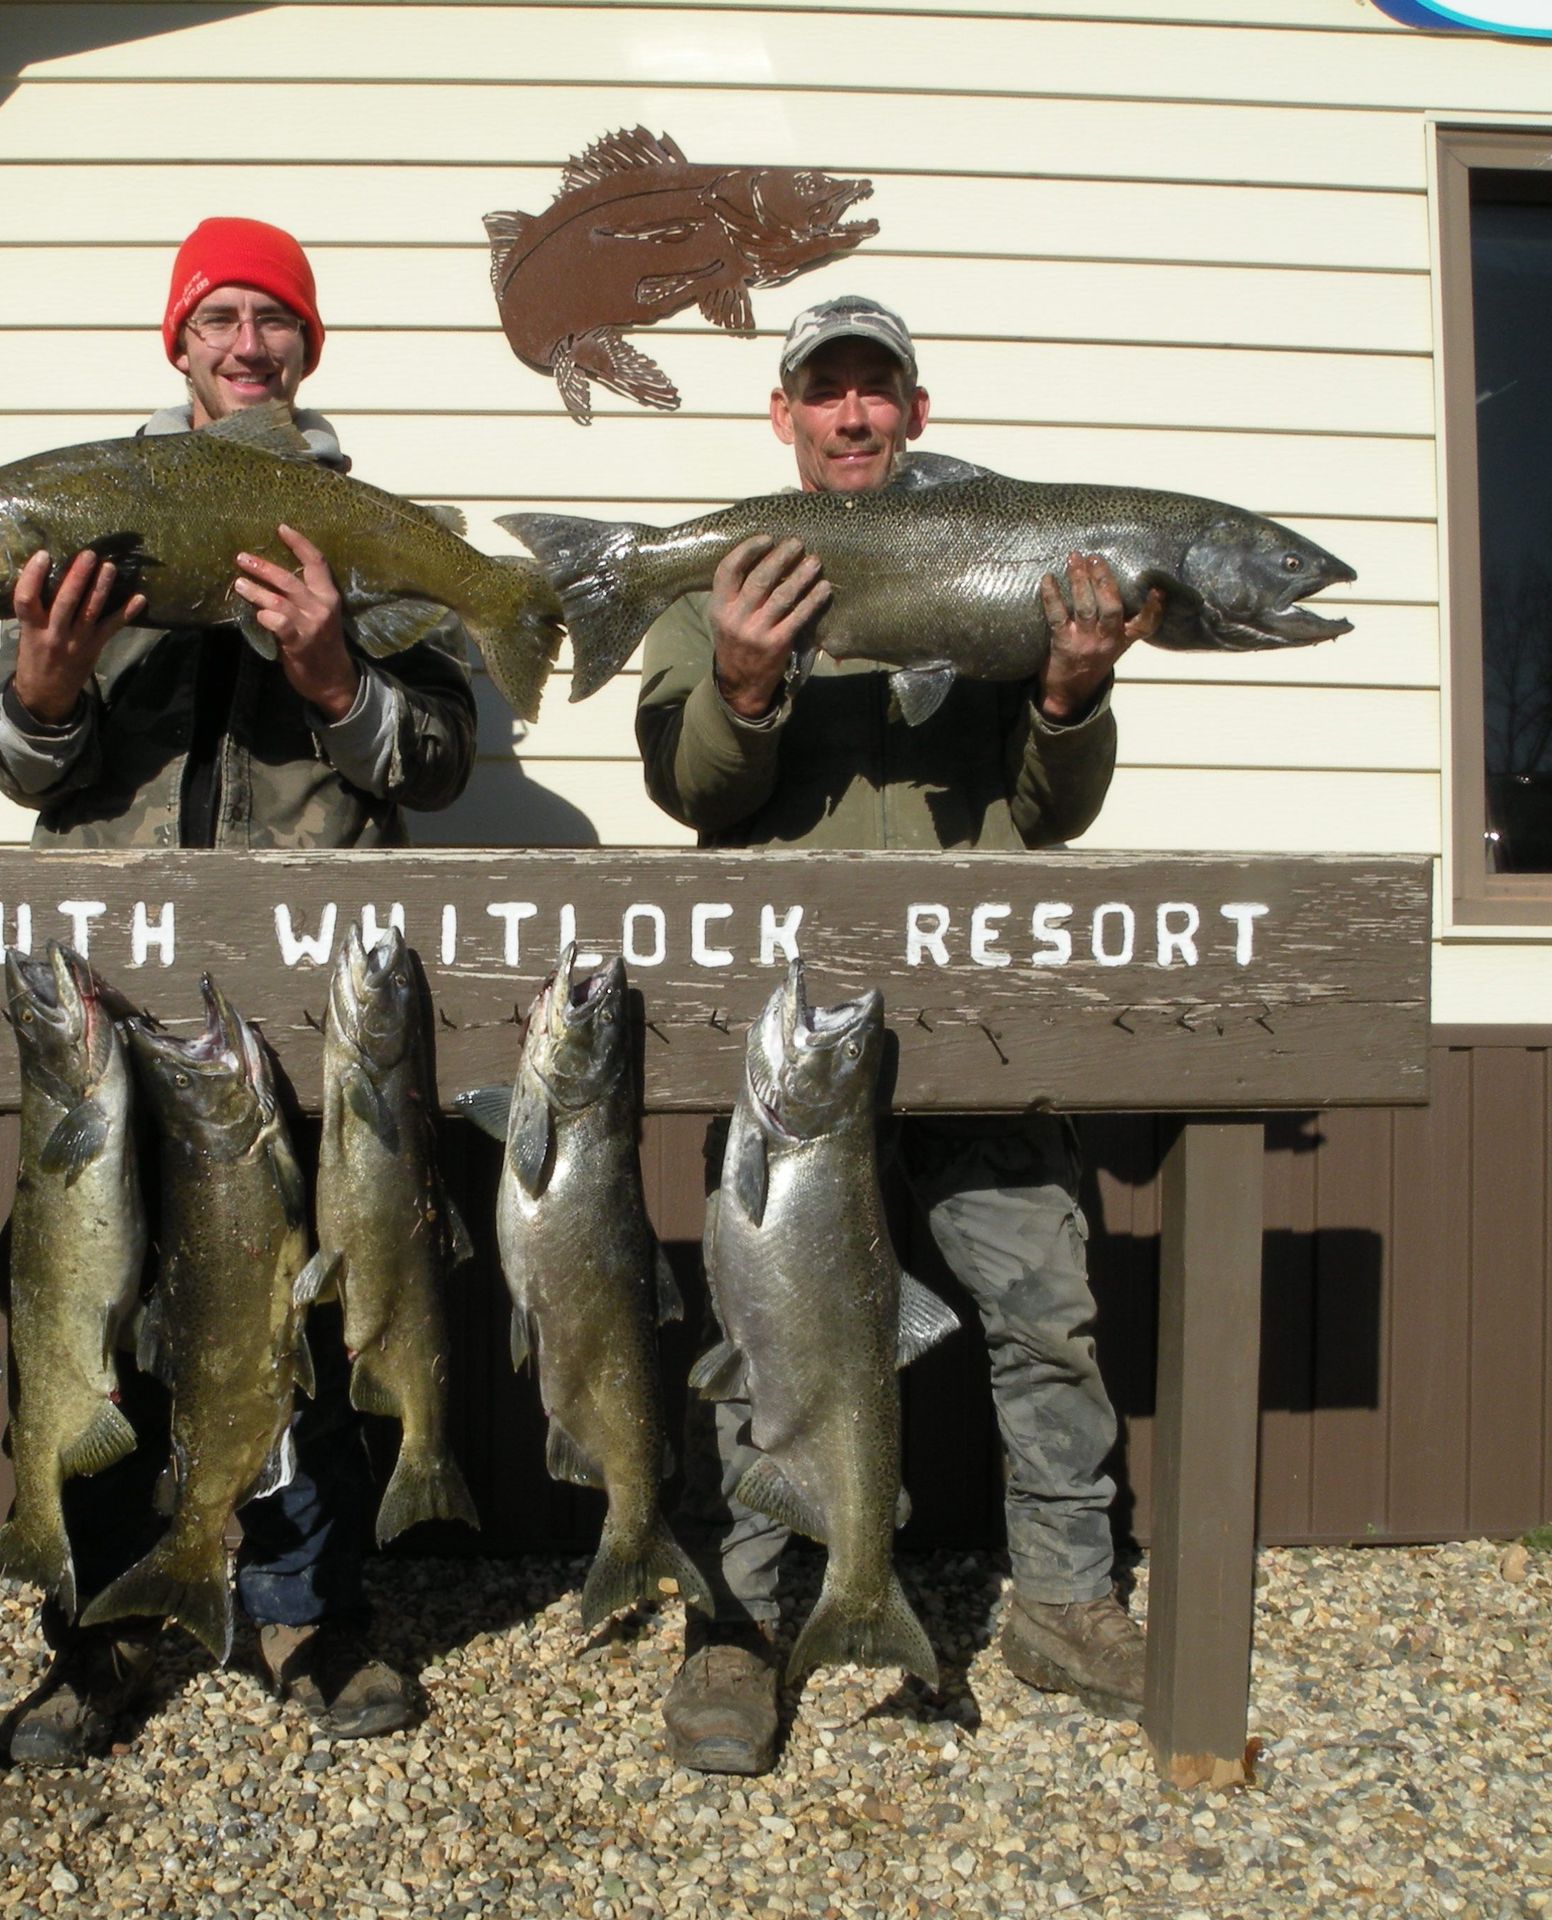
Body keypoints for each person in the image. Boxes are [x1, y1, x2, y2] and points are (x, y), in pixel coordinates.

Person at [635, 293, 1164, 1776]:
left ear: (914, 415)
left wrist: (1068, 697)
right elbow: (694, 793)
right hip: (787, 1034)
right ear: (785, 419)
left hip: (972, 1024)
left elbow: (1057, 814)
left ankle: (1064, 1598)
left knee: (1045, 1304)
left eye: (878, 392)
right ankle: (737, 1629)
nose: (853, 415)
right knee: (762, 1331)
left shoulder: (1011, 557)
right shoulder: (719, 578)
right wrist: (743, 681)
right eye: (826, 392)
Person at [0, 216, 477, 1764]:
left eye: (274, 320)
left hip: (303, 1006)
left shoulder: (369, 528)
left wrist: (339, 681)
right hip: (106, 1008)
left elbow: (441, 760)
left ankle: (309, 1619)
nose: (247, 343)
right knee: (90, 1307)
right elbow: (12, 767)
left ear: (305, 349)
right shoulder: (89, 511)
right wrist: (43, 692)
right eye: (221, 317)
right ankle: (107, 1631)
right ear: (177, 342)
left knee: (304, 1314)